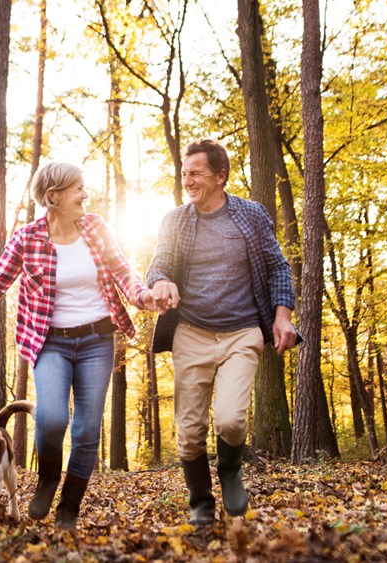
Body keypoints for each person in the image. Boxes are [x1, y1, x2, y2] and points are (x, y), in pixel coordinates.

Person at [0, 162, 158, 531]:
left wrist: (144, 296)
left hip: (98, 339)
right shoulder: (27, 239)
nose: (86, 195)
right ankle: (49, 478)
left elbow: (123, 271)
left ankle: (69, 503)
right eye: (78, 189)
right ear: (54, 197)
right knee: (52, 418)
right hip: (50, 341)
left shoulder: (96, 227)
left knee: (87, 430)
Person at [147, 138, 298, 526]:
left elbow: (278, 267)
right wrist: (161, 282)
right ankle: (200, 500)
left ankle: (230, 472)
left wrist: (282, 317)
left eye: (196, 173)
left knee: (230, 419)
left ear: (220, 176)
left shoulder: (250, 215)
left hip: (241, 332)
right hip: (191, 333)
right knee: (190, 430)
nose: (188, 180)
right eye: (184, 173)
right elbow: (159, 264)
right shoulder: (175, 220)